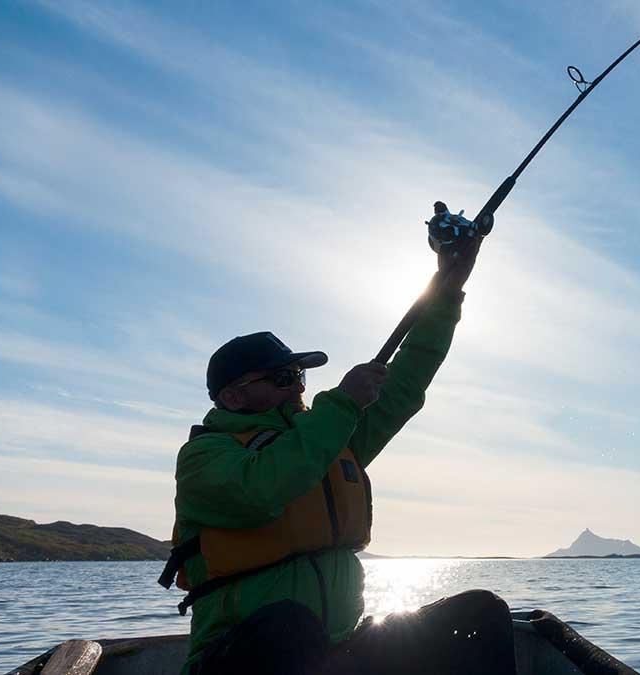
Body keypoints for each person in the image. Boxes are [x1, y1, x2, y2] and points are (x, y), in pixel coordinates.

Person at [160, 237, 516, 674]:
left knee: (480, 611)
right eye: (281, 377)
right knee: (289, 625)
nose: (297, 386)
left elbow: (406, 378)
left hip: (335, 651)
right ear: (233, 396)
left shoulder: (331, 433)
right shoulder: (203, 457)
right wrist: (343, 405)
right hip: (238, 656)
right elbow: (263, 489)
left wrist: (448, 288)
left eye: (300, 376)